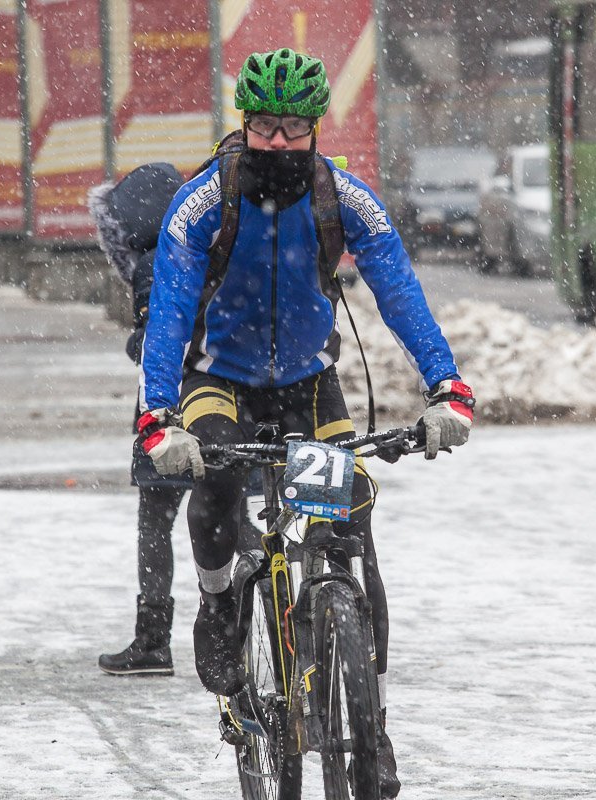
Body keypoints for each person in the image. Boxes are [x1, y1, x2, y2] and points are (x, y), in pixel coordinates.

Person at [137, 47, 476, 798]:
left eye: (294, 128)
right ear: (245, 124)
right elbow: (167, 312)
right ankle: (220, 601)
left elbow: (400, 292)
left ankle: (371, 725)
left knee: (349, 516)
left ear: (315, 127)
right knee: (217, 492)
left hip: (306, 384)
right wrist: (158, 417)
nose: (280, 142)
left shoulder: (343, 200)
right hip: (219, 380)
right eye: (266, 127)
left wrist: (445, 384)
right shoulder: (203, 202)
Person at [90, 164, 260, 677]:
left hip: (172, 403)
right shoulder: (214, 247)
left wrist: (137, 342)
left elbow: (159, 340)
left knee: (156, 518)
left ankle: (153, 639)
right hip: (232, 396)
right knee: (233, 512)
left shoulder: (152, 263)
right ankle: (261, 612)